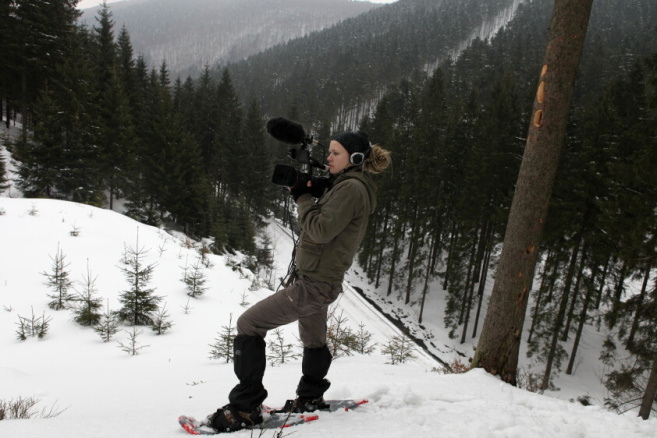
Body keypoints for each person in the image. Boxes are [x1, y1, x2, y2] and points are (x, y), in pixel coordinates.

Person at [206, 130, 391, 433]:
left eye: (335, 153)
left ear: (354, 158)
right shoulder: (346, 185)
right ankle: (311, 398)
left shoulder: (351, 189)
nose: (328, 158)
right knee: (314, 340)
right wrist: (311, 187)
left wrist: (303, 196)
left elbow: (318, 230)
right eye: (328, 152)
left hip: (314, 286)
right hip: (320, 281)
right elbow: (328, 212)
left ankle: (246, 408)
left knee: (249, 325)